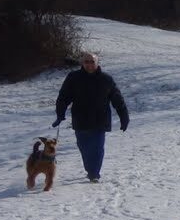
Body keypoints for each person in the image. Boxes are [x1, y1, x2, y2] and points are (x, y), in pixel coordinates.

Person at [53, 51, 130, 183]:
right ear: (82, 63)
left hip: (100, 119)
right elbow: (63, 97)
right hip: (80, 119)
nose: (89, 64)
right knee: (84, 147)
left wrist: (124, 117)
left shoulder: (106, 79)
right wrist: (60, 114)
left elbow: (117, 99)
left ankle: (94, 173)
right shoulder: (73, 78)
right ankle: (90, 170)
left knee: (97, 148)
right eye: (86, 62)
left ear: (97, 63)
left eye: (92, 62)